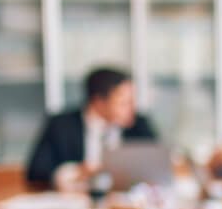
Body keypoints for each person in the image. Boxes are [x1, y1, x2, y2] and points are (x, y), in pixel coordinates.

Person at [25, 66, 157, 190]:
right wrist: (76, 171)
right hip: (76, 203)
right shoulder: (61, 125)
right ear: (99, 102)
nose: (132, 108)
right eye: (124, 103)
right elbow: (36, 173)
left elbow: (157, 166)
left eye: (132, 101)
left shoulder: (139, 124)